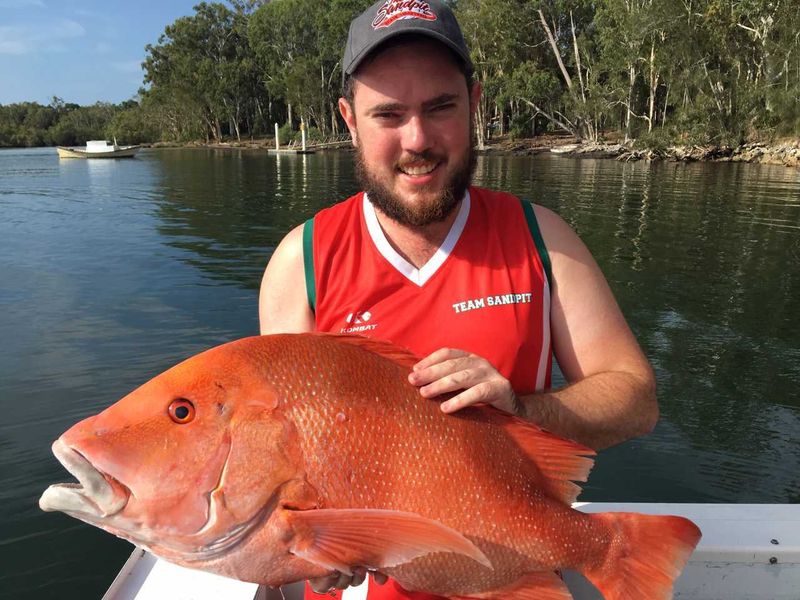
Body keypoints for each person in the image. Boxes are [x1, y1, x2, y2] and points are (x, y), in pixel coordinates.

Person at [258, 1, 657, 598]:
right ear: (349, 119)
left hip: (513, 579)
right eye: (388, 114)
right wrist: (302, 548)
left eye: (440, 107)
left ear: (474, 104)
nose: (417, 140)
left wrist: (520, 412)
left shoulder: (542, 239)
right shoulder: (303, 263)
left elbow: (636, 399)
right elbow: (275, 469)